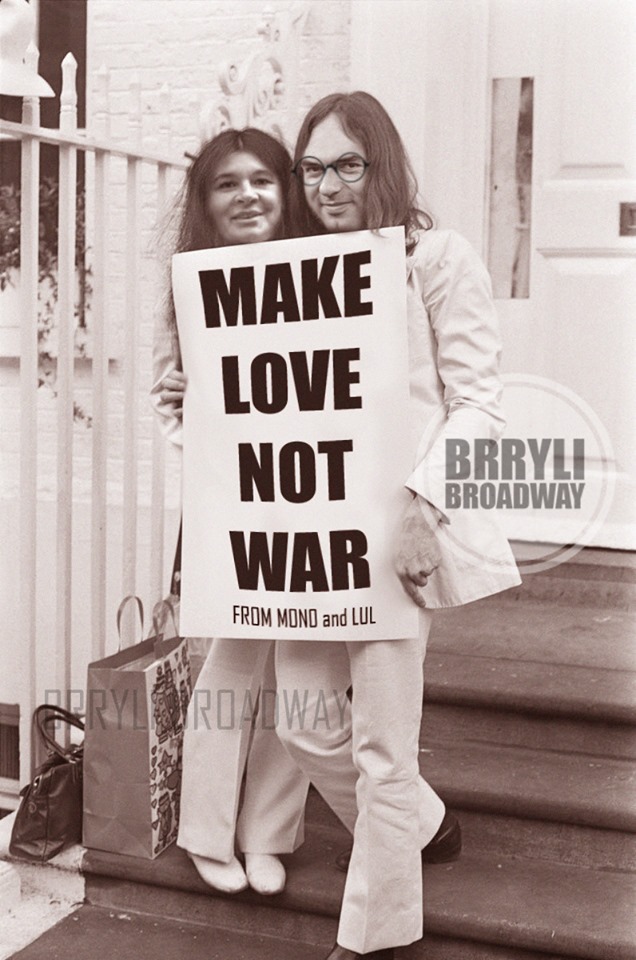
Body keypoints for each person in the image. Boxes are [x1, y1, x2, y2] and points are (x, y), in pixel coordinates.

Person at [273, 92, 521, 960]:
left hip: (395, 531)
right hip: (313, 534)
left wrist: (423, 508)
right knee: (303, 720)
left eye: (348, 164)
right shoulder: (296, 270)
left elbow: (480, 403)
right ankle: (425, 825)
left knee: (383, 742)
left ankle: (373, 936)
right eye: (313, 167)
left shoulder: (436, 258)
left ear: (381, 165)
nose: (328, 185)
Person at [151, 128, 310, 896]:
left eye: (262, 179)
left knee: (303, 667)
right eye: (227, 183)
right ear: (206, 203)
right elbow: (167, 405)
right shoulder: (191, 290)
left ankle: (269, 834)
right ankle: (206, 830)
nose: (247, 194)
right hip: (234, 503)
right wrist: (187, 407)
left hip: (314, 498)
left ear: (287, 191)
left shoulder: (325, 277)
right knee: (230, 663)